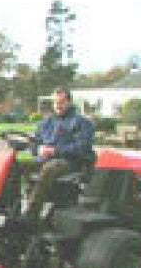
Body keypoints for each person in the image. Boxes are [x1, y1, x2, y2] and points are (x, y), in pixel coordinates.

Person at [23, 89, 94, 218]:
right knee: (16, 166)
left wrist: (55, 150)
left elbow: (81, 147)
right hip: (45, 159)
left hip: (71, 162)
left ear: (69, 102)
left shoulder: (82, 123)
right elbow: (34, 143)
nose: (58, 106)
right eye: (55, 102)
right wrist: (37, 149)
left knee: (50, 168)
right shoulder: (45, 123)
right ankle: (7, 208)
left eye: (61, 102)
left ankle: (31, 213)